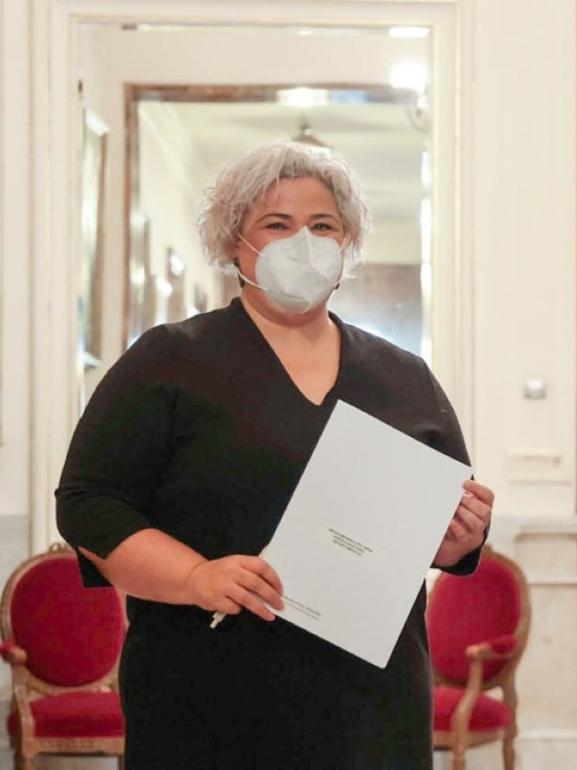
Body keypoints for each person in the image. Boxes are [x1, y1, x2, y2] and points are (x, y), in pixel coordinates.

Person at [56, 141, 493, 770]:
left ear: (347, 244)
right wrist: (196, 577)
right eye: (277, 224)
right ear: (235, 242)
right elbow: (88, 503)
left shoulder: (404, 377)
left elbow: (440, 529)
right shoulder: (169, 360)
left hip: (372, 706)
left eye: (323, 226)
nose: (303, 244)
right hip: (209, 697)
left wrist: (456, 539)